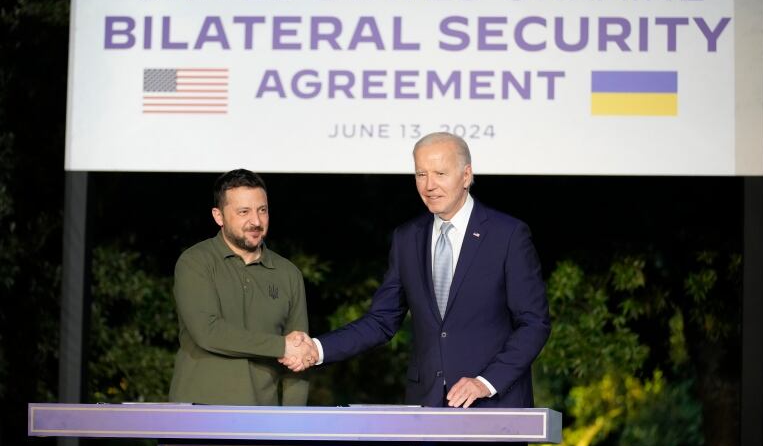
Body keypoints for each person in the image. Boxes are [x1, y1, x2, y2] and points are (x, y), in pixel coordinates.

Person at [282, 132, 550, 412]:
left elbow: (534, 323)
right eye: (421, 174)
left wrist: (486, 381)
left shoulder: (507, 235)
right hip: (427, 407)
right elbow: (381, 320)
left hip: (494, 406)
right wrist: (317, 349)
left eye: (440, 173)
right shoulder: (407, 238)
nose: (429, 185)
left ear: (466, 175)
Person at [169, 169, 313, 405]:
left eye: (262, 210)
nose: (256, 221)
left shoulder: (288, 274)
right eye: (243, 212)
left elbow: (300, 356)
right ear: (219, 216)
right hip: (196, 416)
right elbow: (208, 332)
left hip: (261, 422)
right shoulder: (195, 262)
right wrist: (280, 346)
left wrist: (292, 428)